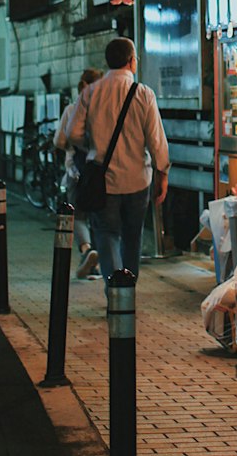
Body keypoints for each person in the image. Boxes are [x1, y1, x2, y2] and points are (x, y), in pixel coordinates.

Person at [67, 38, 169, 286]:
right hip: (137, 180)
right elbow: (156, 140)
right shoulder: (143, 93)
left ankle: (114, 292)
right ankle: (127, 294)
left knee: (106, 234)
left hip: (104, 181)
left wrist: (91, 147)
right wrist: (162, 173)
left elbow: (72, 133)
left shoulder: (90, 93)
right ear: (131, 61)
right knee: (132, 238)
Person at [54, 67, 103, 278]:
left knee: (78, 214)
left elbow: (59, 141)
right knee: (100, 215)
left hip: (76, 169)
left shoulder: (72, 109)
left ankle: (86, 250)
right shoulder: (105, 110)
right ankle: (100, 262)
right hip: (101, 169)